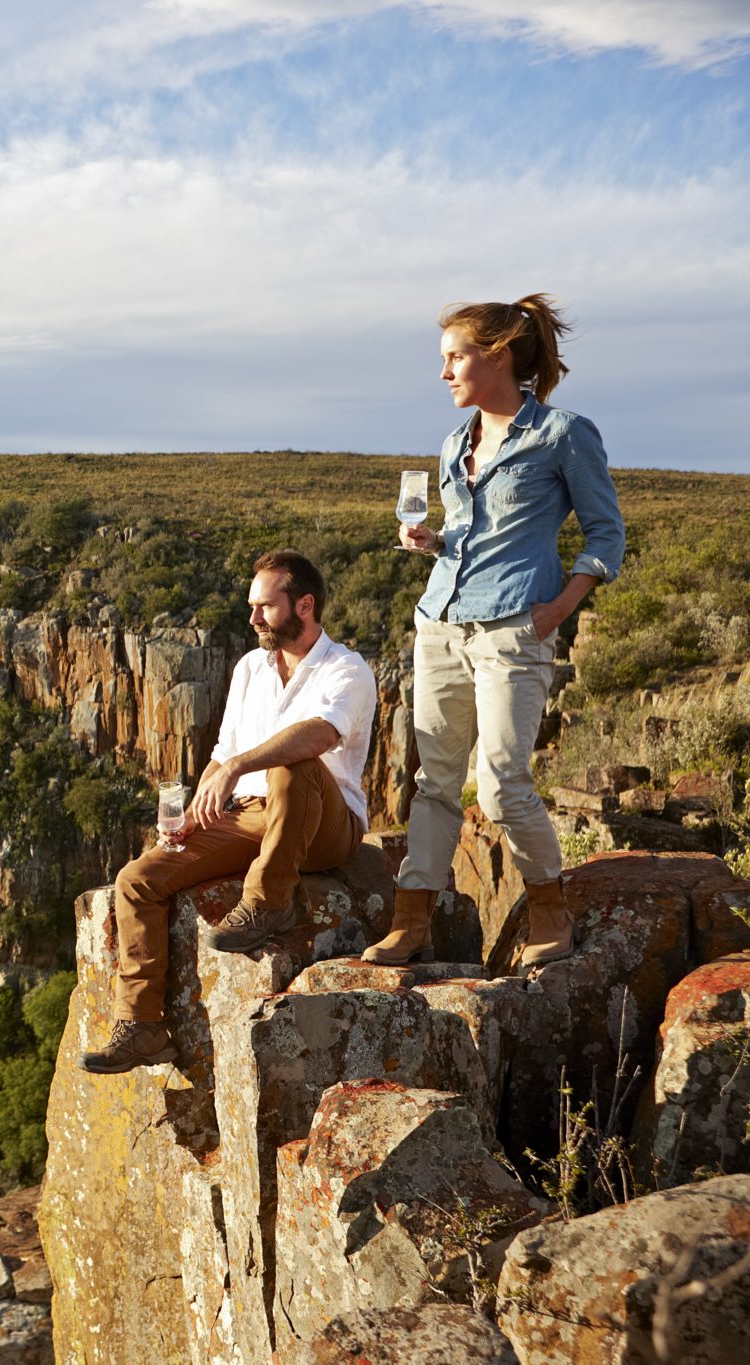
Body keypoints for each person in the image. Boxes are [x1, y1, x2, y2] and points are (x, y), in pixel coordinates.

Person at [362, 294, 624, 969]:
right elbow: (472, 534)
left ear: (498, 353)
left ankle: (548, 905)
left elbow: (606, 536)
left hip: (515, 628)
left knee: (503, 781)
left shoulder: (562, 433)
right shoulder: (456, 443)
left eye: (454, 357)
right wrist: (430, 538)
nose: (444, 372)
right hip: (441, 621)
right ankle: (412, 918)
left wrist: (557, 610)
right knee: (434, 782)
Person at [78, 550, 377, 1073]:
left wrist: (241, 764)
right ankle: (143, 1024)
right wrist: (200, 806)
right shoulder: (249, 669)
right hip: (251, 814)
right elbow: (223, 752)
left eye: (265, 607)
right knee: (138, 879)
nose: (253, 618)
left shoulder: (346, 668)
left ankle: (268, 902)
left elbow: (321, 735)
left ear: (304, 606)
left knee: (293, 763)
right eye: (251, 607)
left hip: (325, 824)